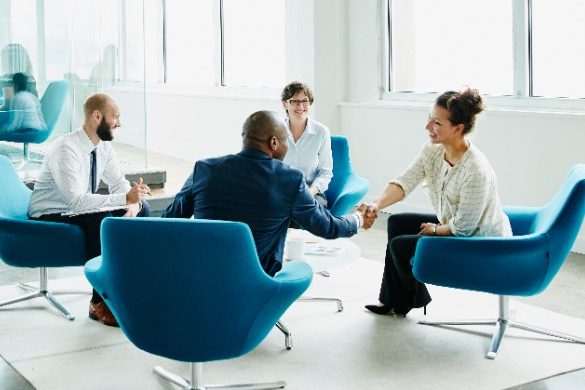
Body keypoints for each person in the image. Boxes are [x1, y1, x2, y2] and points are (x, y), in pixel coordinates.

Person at [358, 88, 511, 317]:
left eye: (437, 122)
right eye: (429, 118)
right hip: (456, 226)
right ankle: (392, 300)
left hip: (479, 241)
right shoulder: (432, 150)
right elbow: (405, 181)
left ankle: (413, 298)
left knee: (401, 246)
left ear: (458, 129)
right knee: (397, 224)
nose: (428, 127)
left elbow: (465, 227)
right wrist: (376, 205)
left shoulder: (475, 170)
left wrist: (435, 229)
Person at [165, 110, 373, 276]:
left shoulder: (204, 168)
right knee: (300, 268)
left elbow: (170, 219)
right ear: (274, 142)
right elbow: (326, 227)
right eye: (285, 141)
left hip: (202, 273)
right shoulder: (289, 179)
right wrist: (358, 219)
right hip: (257, 279)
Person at [28, 93, 151, 326]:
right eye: (115, 117)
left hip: (78, 210)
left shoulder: (103, 147)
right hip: (50, 211)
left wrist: (133, 204)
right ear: (97, 116)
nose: (119, 123)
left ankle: (125, 290)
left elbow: (118, 181)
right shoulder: (67, 149)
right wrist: (125, 197)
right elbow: (75, 201)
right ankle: (99, 302)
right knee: (101, 221)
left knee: (143, 209)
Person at [280, 81, 333, 206]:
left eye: (305, 101)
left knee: (301, 210)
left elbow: (325, 173)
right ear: (285, 104)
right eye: (295, 101)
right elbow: (268, 166)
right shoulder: (276, 129)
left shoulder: (321, 132)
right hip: (281, 192)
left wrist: (308, 193)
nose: (301, 106)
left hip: (311, 193)